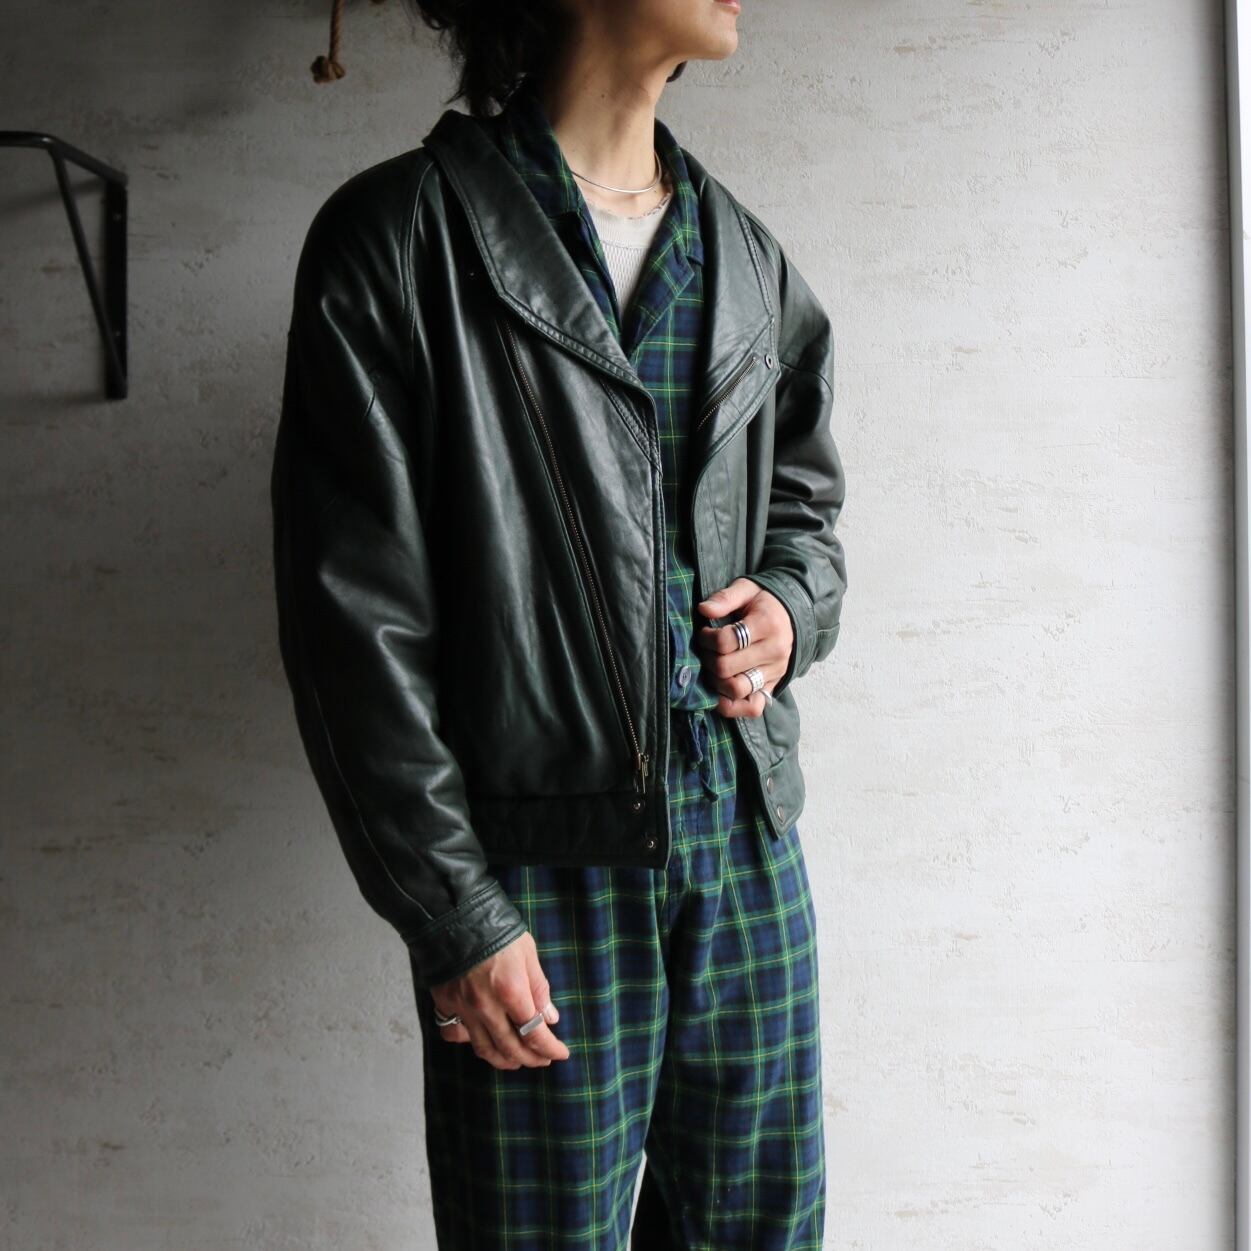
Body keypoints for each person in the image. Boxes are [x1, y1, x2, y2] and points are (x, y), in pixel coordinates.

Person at [271, 0, 848, 1246]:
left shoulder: (746, 257)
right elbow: (353, 631)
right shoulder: (402, 239)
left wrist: (791, 609)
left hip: (746, 843)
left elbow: (805, 510)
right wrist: (457, 913)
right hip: (534, 865)